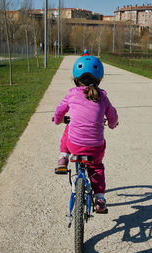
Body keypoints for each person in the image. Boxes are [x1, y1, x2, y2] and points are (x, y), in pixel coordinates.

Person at [53, 56, 118, 213]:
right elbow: (113, 116)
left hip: (74, 145)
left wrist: (57, 120)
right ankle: (100, 198)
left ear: (76, 79)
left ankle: (63, 158)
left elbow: (60, 111)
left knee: (69, 128)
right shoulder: (103, 96)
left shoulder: (72, 93)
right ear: (99, 79)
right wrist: (112, 124)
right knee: (97, 167)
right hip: (95, 148)